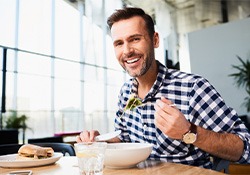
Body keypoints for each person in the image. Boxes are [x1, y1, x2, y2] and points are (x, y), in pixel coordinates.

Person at [76, 7, 250, 168]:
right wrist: (99, 142)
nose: (127, 51)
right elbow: (125, 137)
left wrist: (188, 131)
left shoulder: (192, 88)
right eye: (119, 43)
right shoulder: (126, 93)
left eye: (135, 39)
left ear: (155, 40)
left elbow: (244, 148)